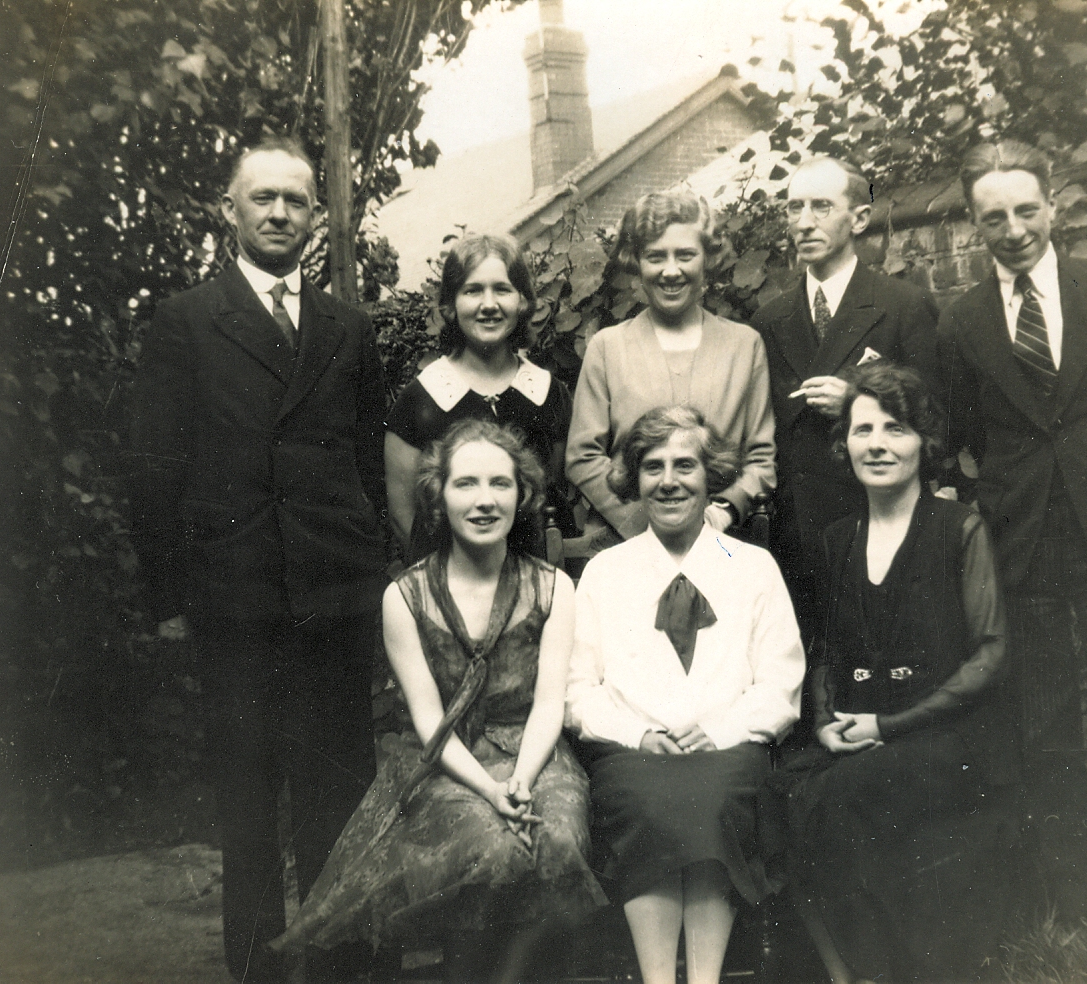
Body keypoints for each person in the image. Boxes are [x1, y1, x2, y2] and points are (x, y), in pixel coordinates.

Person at [123, 135, 387, 983]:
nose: (279, 213)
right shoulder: (187, 320)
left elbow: (368, 463)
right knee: (247, 806)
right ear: (228, 210)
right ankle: (257, 973)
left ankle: (339, 966)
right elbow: (153, 464)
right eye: (261, 198)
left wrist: (370, 573)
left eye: (295, 200)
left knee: (335, 799)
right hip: (234, 598)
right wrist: (167, 595)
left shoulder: (349, 328)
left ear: (318, 215)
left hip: (333, 596)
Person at [938, 138, 1087, 933]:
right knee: (1044, 726)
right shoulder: (964, 320)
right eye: (992, 218)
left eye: (1024, 210)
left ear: (1054, 207)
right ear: (975, 226)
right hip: (1027, 542)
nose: (1011, 230)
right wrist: (1013, 499)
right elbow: (969, 431)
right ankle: (1079, 905)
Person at [274, 419, 606, 983]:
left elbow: (549, 705)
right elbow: (430, 721)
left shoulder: (553, 587)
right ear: (439, 495)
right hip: (447, 762)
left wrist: (520, 783)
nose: (484, 501)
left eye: (500, 484)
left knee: (557, 838)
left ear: (523, 495)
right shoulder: (405, 596)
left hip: (533, 754)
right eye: (466, 484)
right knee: (492, 847)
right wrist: (491, 790)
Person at [771, 362, 1015, 983]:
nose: (877, 444)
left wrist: (891, 724)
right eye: (862, 429)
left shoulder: (959, 529)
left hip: (944, 735)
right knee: (782, 793)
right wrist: (825, 721)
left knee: (843, 799)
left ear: (924, 444)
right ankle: (848, 969)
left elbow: (989, 655)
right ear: (843, 443)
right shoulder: (837, 538)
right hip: (857, 730)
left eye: (895, 429)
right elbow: (825, 648)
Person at [566, 406, 805, 984]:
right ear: (634, 480)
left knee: (715, 799)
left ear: (711, 476)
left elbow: (781, 681)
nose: (669, 480)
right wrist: (638, 734)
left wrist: (722, 730)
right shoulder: (605, 572)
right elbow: (578, 689)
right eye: (653, 467)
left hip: (728, 750)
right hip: (633, 754)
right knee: (646, 804)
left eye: (685, 465)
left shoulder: (753, 567)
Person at [750, 155, 940, 640]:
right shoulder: (771, 319)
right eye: (794, 208)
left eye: (821, 207)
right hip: (800, 531)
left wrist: (859, 402)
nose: (804, 222)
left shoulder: (903, 305)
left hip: (880, 516)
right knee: (812, 669)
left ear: (858, 218)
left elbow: (937, 417)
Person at [566, 190, 776, 546]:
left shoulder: (744, 345)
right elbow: (582, 457)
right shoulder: (607, 347)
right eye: (655, 257)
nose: (671, 271)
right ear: (637, 262)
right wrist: (644, 523)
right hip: (628, 542)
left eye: (685, 255)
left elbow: (761, 459)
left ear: (707, 259)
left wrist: (722, 513)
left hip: (720, 541)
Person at [385, 233, 572, 563]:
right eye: (472, 290)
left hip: (532, 575)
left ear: (523, 301)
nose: (489, 305)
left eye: (502, 289)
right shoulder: (421, 399)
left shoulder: (547, 393)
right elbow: (405, 515)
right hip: (447, 580)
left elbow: (554, 487)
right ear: (451, 305)